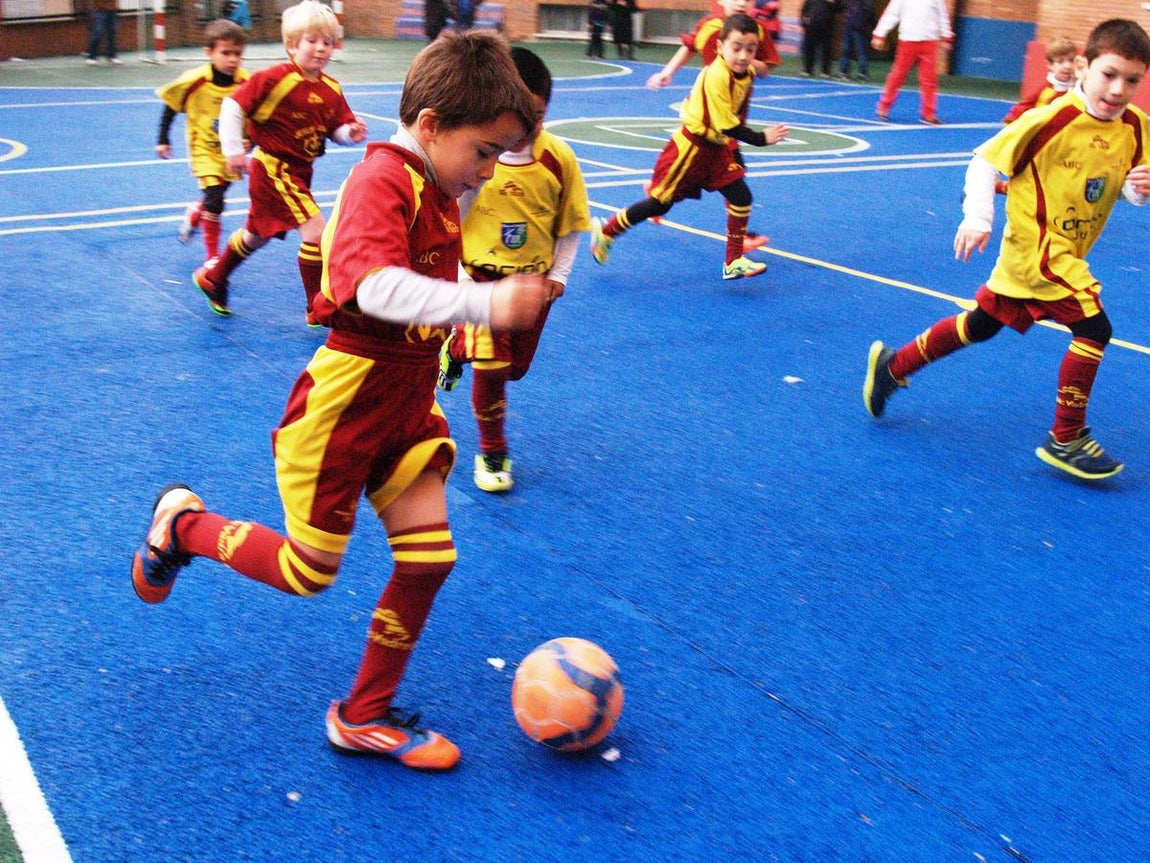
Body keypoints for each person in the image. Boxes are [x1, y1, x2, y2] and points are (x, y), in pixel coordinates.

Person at [131, 30, 545, 771]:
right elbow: (371, 286)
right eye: (483, 151)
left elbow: (421, 298)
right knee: (307, 571)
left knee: (428, 558)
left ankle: (362, 714)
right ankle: (183, 525)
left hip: (406, 405)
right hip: (347, 404)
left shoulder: (439, 187)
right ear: (430, 127)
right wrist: (479, 305)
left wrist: (464, 323)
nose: (486, 172)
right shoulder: (384, 178)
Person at [863, 18, 1150, 483]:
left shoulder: (1137, 127)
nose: (1118, 89)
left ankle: (893, 366)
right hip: (1036, 249)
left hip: (1066, 251)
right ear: (1085, 66)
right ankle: (1066, 437)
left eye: (1132, 80)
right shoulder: (1050, 119)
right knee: (1094, 327)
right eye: (1109, 74)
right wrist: (978, 218)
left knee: (981, 325)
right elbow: (983, 161)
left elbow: (1121, 189)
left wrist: (1139, 191)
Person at [436, 48, 591, 493]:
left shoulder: (558, 160)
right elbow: (453, 214)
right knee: (492, 366)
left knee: (512, 368)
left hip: (533, 285)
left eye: (537, 114)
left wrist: (558, 274)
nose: (527, 125)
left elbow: (571, 223)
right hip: (483, 279)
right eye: (517, 113)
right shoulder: (478, 156)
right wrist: (460, 276)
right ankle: (493, 450)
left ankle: (455, 345)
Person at [192, 0, 367, 320]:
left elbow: (336, 128)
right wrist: (232, 149)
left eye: (326, 42)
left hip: (300, 172)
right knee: (316, 231)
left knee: (256, 236)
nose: (320, 49)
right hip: (275, 168)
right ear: (291, 45)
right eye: (311, 41)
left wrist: (348, 132)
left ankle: (214, 278)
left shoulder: (331, 88)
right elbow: (233, 105)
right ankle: (317, 307)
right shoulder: (276, 78)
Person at [590, 14, 788, 281]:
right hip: (691, 151)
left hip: (716, 149)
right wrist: (762, 139)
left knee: (741, 195)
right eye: (736, 48)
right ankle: (606, 230)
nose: (743, 55)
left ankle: (733, 261)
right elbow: (727, 125)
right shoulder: (715, 76)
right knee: (659, 204)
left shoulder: (747, 73)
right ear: (719, 48)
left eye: (750, 50)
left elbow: (737, 113)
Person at [645, 0, 779, 254]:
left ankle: (660, 190)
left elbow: (765, 69)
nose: (740, 2)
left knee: (729, 175)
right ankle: (739, 243)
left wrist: (746, 57)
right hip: (713, 118)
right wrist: (667, 72)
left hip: (735, 115)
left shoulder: (754, 30)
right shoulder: (709, 27)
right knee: (734, 174)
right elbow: (688, 47)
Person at [155, 19, 250, 265]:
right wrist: (163, 139)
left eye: (237, 54)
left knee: (215, 195)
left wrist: (250, 139)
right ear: (209, 53)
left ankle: (196, 212)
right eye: (225, 53)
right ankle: (212, 258)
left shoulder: (246, 83)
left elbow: (258, 114)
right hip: (203, 150)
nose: (232, 59)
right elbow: (171, 106)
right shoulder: (194, 81)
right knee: (216, 200)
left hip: (230, 152)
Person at [871, 0, 953, 124]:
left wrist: (947, 36)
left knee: (929, 79)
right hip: (908, 41)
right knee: (897, 75)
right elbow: (891, 14)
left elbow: (942, 16)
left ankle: (928, 113)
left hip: (929, 41)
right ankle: (883, 106)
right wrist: (879, 34)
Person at [1002, 37, 1078, 123]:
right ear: (1050, 65)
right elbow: (1024, 106)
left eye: (1071, 60)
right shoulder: (1046, 90)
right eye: (1060, 61)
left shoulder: (1079, 87)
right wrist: (1011, 120)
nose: (1067, 66)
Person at [834, 0, 876, 80]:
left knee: (859, 51)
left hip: (858, 27)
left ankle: (860, 73)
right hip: (851, 27)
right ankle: (846, 72)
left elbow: (870, 14)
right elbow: (840, 7)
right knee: (849, 50)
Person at [799, 0, 836, 78]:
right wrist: (804, 24)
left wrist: (833, 3)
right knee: (809, 50)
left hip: (826, 29)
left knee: (826, 51)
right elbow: (803, 11)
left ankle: (825, 71)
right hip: (811, 28)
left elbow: (837, 10)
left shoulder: (830, 1)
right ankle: (808, 70)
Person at [85, 0, 121, 65]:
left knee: (112, 33)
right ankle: (91, 56)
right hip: (98, 10)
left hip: (112, 10)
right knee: (97, 32)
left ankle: (112, 56)